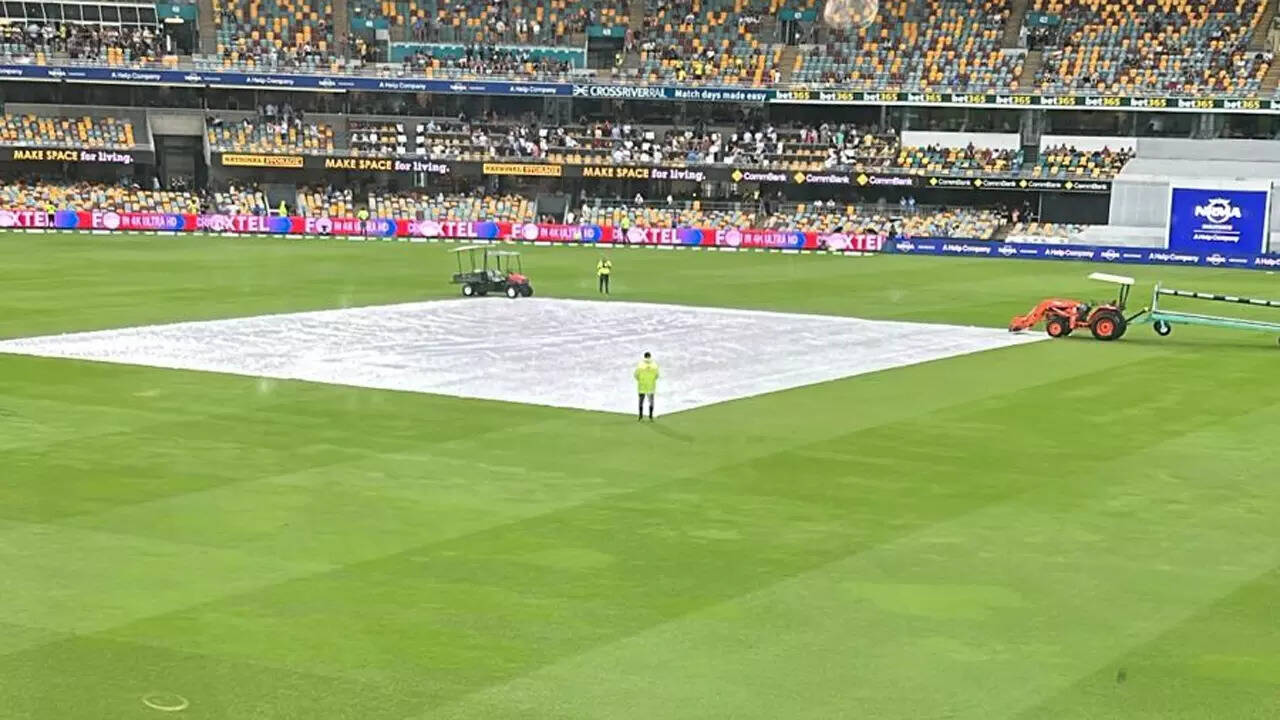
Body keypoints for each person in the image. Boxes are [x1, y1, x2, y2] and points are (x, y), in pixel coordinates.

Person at [634, 352, 659, 421]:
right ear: (650, 356)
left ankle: (640, 416)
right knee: (651, 401)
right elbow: (657, 375)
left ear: (644, 356)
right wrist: (651, 380)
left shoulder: (640, 364)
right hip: (651, 386)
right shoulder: (654, 365)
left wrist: (641, 380)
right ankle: (650, 416)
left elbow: (636, 375)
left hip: (642, 386)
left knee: (641, 401)